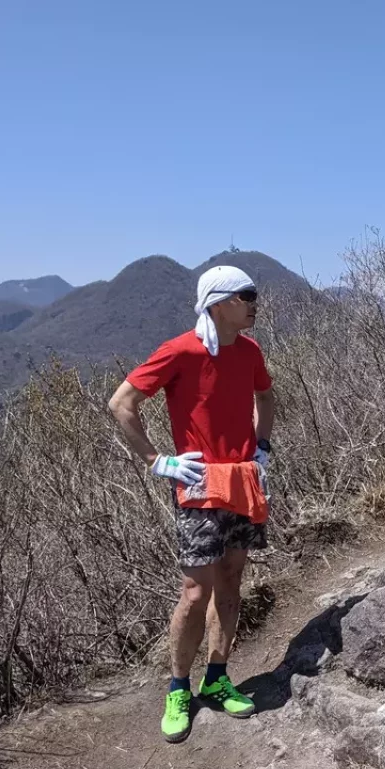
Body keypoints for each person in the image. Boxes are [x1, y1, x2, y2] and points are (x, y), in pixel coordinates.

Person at [108, 265, 275, 742]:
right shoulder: (181, 350)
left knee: (232, 577)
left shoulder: (249, 350)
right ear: (219, 303)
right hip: (199, 483)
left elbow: (266, 394)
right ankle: (178, 687)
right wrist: (157, 461)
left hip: (242, 479)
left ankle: (218, 677)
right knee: (195, 591)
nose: (254, 302)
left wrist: (262, 447)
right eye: (246, 296)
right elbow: (122, 402)